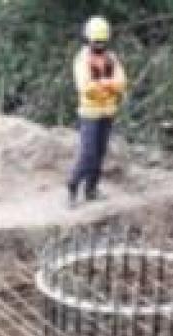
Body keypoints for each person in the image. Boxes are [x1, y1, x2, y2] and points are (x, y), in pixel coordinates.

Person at [67, 15, 127, 208]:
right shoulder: (82, 59)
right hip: (90, 114)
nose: (100, 45)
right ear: (89, 39)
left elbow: (122, 83)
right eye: (96, 41)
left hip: (107, 112)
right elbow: (86, 87)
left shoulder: (111, 58)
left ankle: (92, 189)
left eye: (103, 41)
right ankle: (73, 186)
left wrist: (103, 84)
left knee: (100, 152)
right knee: (88, 153)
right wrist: (108, 87)